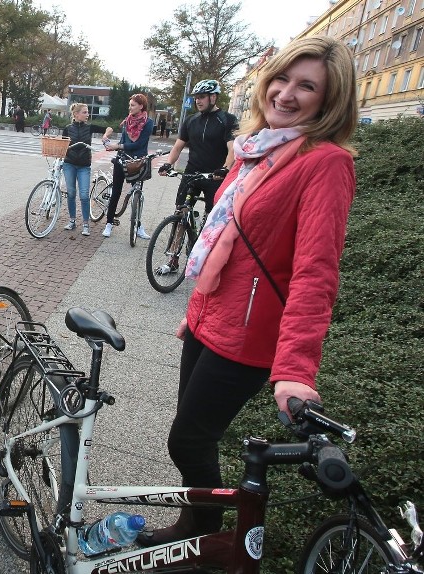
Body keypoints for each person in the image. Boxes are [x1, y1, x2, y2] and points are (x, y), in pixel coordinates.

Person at [140, 36, 358, 546]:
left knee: (187, 439)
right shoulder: (256, 150)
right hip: (211, 319)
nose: (286, 93)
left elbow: (316, 272)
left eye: (307, 86)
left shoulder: (324, 163)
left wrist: (296, 371)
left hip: (250, 334)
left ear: (330, 99)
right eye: (281, 79)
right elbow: (225, 244)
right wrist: (194, 311)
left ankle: (210, 543)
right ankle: (194, 527)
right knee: (193, 436)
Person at [158, 79, 238, 217]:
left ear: (213, 97)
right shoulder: (191, 120)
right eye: (196, 98)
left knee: (212, 217)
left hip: (215, 176)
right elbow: (177, 147)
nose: (197, 101)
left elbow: (232, 149)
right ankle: (177, 236)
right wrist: (168, 163)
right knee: (180, 212)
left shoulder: (227, 120)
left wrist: (225, 168)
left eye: (201, 97)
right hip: (192, 173)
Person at [100, 93, 155, 239]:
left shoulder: (148, 123)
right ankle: (109, 223)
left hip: (138, 162)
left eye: (133, 105)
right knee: (116, 192)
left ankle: (138, 226)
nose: (129, 108)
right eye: (129, 105)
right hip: (122, 159)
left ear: (141, 106)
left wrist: (119, 145)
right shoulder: (127, 121)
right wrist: (116, 148)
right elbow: (124, 141)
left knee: (137, 194)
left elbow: (140, 144)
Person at [61, 103, 107, 236]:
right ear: (76, 114)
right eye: (85, 112)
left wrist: (106, 135)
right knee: (71, 193)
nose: (87, 115)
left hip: (84, 166)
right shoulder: (68, 128)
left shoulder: (90, 127)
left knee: (84, 195)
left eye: (87, 112)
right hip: (69, 164)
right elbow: (63, 145)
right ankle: (72, 220)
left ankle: (86, 224)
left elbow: (108, 129)